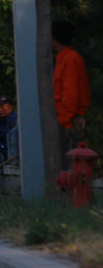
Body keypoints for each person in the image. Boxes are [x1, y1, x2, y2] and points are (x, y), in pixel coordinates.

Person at [52, 20, 90, 170]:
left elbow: (70, 94)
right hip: (67, 120)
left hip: (68, 123)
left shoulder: (70, 59)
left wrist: (64, 122)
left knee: (68, 169)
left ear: (53, 37)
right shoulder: (65, 58)